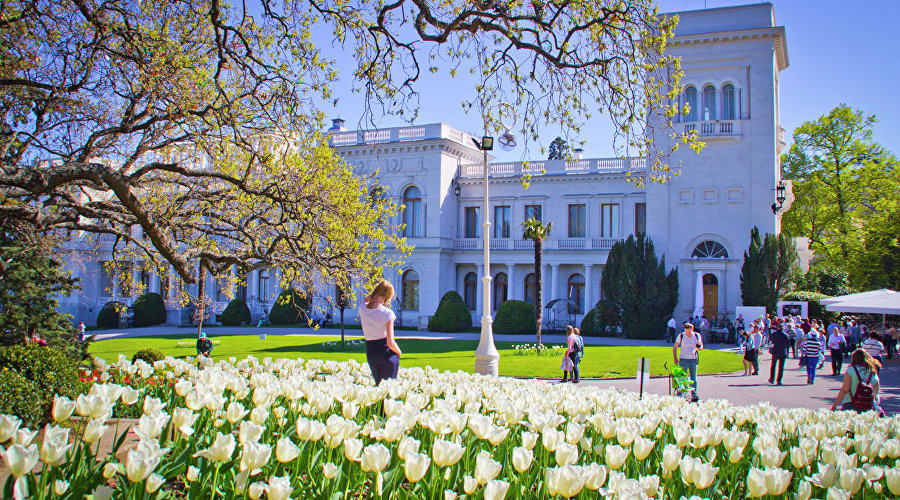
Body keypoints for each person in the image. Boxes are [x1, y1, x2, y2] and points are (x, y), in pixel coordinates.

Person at [360, 280, 402, 386]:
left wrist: (373, 295)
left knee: (378, 389)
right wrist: (399, 352)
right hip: (386, 354)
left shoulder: (362, 308)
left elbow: (366, 299)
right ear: (387, 298)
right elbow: (390, 342)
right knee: (388, 393)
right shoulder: (387, 313)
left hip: (371, 353)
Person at [830, 349, 882, 414]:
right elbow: (875, 393)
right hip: (867, 404)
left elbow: (845, 389)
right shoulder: (872, 371)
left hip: (850, 403)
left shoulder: (851, 369)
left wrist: (835, 405)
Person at [673, 323, 703, 402]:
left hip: (693, 359)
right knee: (682, 378)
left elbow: (700, 345)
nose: (688, 333)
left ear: (691, 329)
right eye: (686, 331)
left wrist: (699, 347)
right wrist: (675, 358)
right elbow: (675, 347)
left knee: (693, 378)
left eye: (689, 331)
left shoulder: (696, 335)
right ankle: (680, 394)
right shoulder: (681, 336)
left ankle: (694, 395)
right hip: (683, 359)